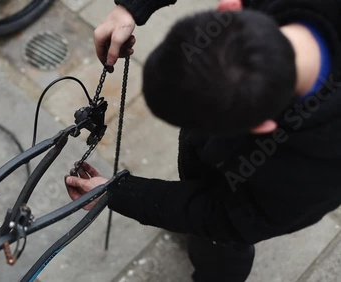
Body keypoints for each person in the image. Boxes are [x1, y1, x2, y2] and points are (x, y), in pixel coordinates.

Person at [65, 0, 341, 281]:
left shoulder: (315, 176)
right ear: (229, 10)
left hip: (239, 204)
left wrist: (118, 193)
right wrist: (130, 9)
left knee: (218, 252)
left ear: (262, 126)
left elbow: (224, 217)